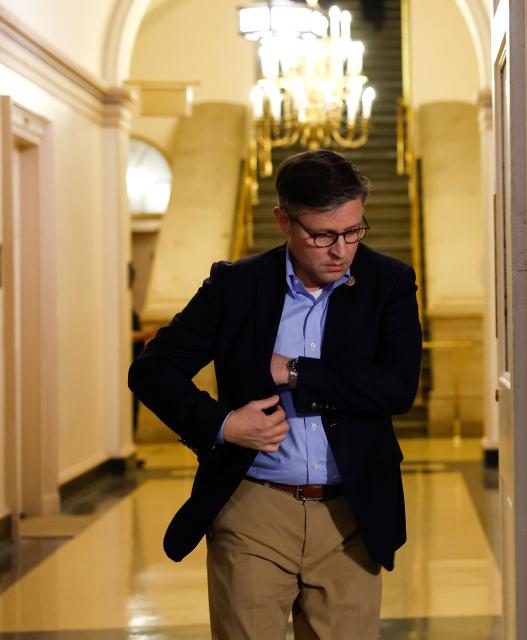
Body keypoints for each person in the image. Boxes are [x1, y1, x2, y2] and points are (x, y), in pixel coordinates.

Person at [128, 149, 422, 639]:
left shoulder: (388, 282)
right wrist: (223, 425)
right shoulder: (236, 286)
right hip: (253, 509)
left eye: (353, 231)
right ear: (283, 220)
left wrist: (294, 372)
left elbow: (396, 387)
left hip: (351, 514)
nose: (341, 250)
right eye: (323, 235)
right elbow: (154, 370)